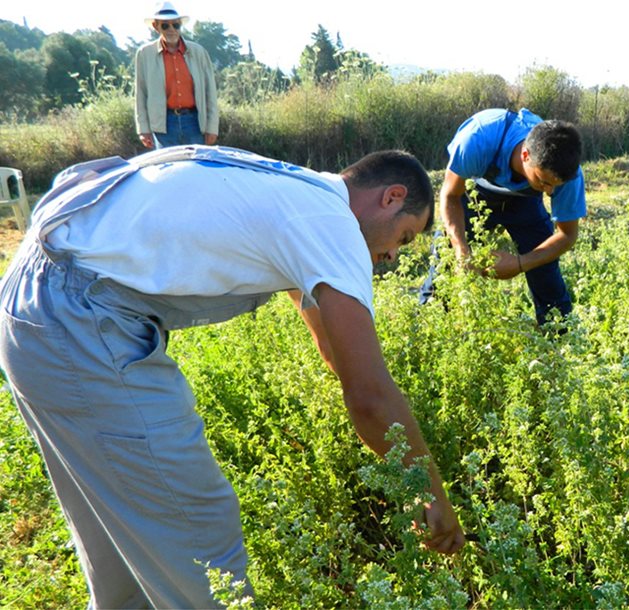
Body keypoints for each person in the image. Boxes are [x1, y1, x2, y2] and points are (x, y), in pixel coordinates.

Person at [0, 145, 465, 608]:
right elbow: (369, 397)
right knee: (196, 529)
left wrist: (392, 447)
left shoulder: (297, 193)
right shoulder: (332, 223)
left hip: (37, 299)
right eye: (403, 238)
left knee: (126, 543)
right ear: (391, 196)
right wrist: (432, 494)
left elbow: (335, 349)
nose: (390, 257)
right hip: (75, 314)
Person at [418, 108, 587, 325]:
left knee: (544, 269)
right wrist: (462, 253)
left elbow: (567, 235)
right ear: (526, 155)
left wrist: (520, 263)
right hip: (474, 193)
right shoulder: (478, 139)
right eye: (544, 182)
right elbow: (450, 196)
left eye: (555, 186)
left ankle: (561, 337)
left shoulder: (567, 173)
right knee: (446, 259)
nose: (550, 193)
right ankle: (428, 328)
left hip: (525, 201)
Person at [135, 1, 219, 149]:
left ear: (180, 25)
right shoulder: (144, 54)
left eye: (176, 25)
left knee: (196, 169)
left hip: (195, 121)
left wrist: (212, 127)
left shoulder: (199, 52)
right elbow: (140, 94)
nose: (171, 29)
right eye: (165, 25)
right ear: (156, 26)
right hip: (163, 124)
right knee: (168, 170)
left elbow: (210, 91)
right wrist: (143, 129)